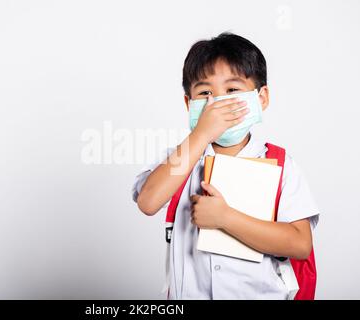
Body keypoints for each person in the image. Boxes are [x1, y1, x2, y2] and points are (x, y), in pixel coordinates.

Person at [132, 32, 320, 299]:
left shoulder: (282, 165)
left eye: (232, 90)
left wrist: (225, 218)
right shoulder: (179, 159)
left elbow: (300, 244)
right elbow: (148, 201)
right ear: (189, 104)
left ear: (261, 98)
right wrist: (200, 135)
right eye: (205, 92)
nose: (217, 103)